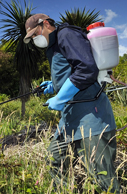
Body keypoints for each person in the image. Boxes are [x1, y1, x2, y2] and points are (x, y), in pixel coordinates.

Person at [23, 13, 121, 193]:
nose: (35, 40)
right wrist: (53, 86)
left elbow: (86, 69)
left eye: (35, 34)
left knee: (102, 177)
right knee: (55, 159)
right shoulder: (52, 47)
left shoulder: (66, 34)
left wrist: (60, 98)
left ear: (45, 24)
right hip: (69, 120)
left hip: (91, 117)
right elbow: (72, 71)